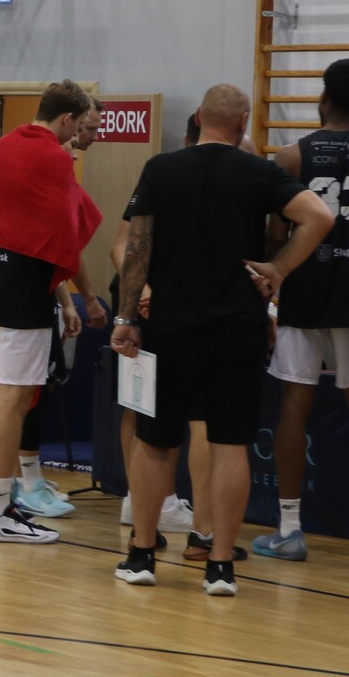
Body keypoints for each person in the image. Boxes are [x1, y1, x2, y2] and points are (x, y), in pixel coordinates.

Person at [113, 84, 330, 596]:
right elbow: (319, 217)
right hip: (237, 327)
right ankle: (220, 567)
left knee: (156, 442)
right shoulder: (260, 172)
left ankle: (141, 555)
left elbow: (137, 247)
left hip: (172, 326)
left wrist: (128, 315)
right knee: (229, 445)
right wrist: (279, 269)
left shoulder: (161, 169)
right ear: (243, 122)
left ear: (197, 118)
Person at [0, 81, 101, 543]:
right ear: (67, 118)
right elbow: (66, 233)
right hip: (22, 286)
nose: (77, 136)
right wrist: (86, 296)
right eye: (78, 127)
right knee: (15, 401)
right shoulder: (53, 157)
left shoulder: (0, 148)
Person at [257, 61, 349, 561]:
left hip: (305, 290)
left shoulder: (292, 156)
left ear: (324, 98)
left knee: (295, 405)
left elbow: (275, 236)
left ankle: (290, 528)